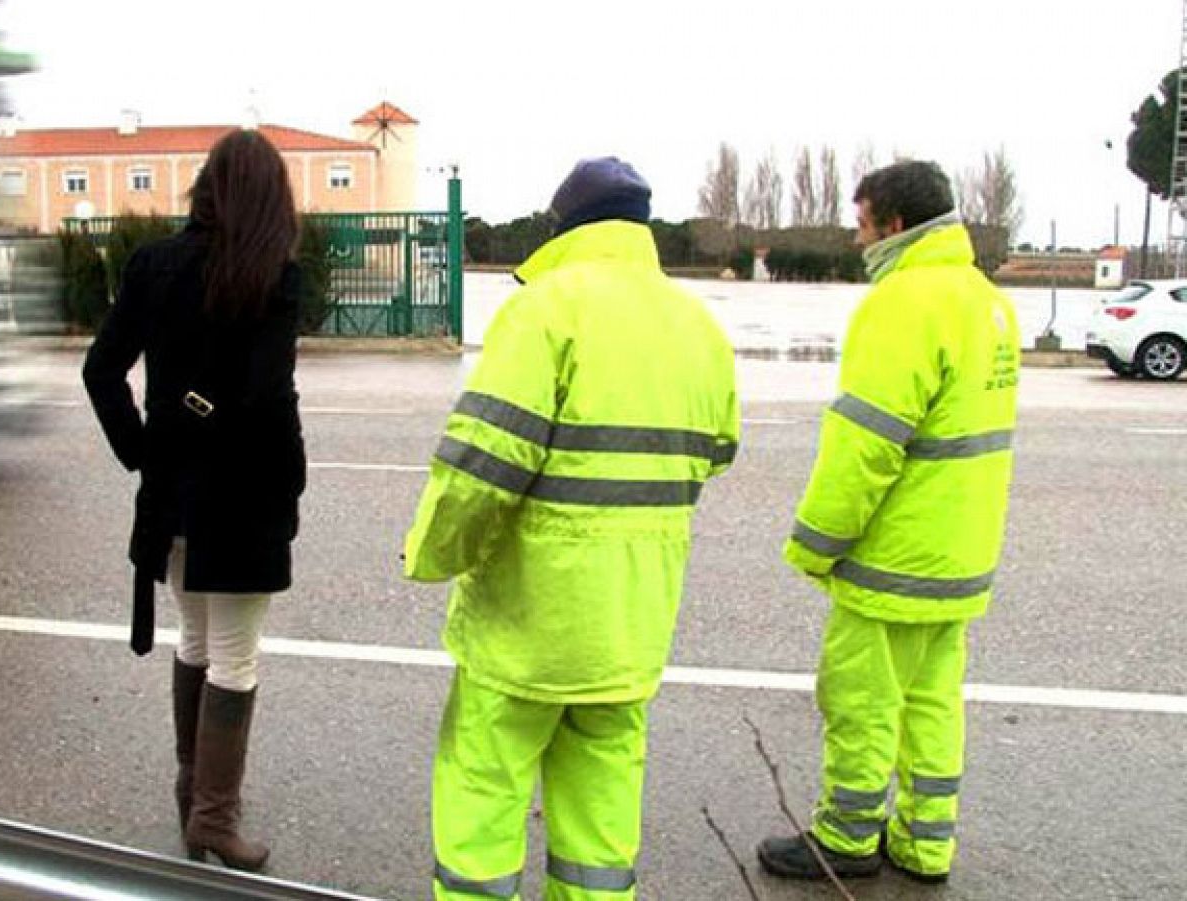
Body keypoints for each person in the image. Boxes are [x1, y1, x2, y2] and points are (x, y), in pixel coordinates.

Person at [403, 157, 740, 900]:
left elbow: (481, 464)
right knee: (600, 819)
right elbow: (718, 454)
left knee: (483, 792)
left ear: (564, 228)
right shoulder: (699, 326)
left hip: (528, 623)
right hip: (630, 626)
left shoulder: (545, 310)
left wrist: (431, 554)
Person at [756, 160, 1020, 885]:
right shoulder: (986, 300)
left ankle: (845, 837)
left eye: (864, 220)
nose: (857, 234)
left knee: (861, 699)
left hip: (894, 558)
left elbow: (865, 445)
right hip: (961, 551)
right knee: (932, 702)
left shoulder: (904, 302)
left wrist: (816, 542)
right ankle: (925, 841)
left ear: (895, 224)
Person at [83, 129, 306, 874]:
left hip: (172, 497)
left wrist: (143, 449)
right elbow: (270, 396)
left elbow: (100, 370)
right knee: (235, 657)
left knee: (196, 641)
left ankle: (194, 804)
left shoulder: (153, 265)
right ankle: (215, 817)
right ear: (268, 198)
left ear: (206, 188)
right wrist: (289, 480)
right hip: (243, 501)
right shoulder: (273, 274)